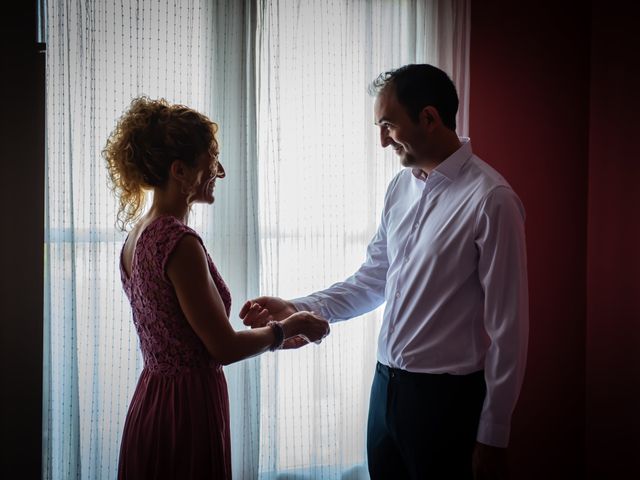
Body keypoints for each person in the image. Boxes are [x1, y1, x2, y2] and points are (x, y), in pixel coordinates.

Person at [240, 64, 528, 480]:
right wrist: (295, 308)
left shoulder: (492, 200)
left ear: (428, 118)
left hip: (447, 401)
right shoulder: (400, 188)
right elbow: (372, 281)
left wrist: (493, 433)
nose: (382, 140)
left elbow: (510, 329)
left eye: (388, 125)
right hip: (385, 391)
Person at [103, 96, 330, 479]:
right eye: (211, 158)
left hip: (152, 400)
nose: (219, 171)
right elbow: (222, 348)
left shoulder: (135, 237)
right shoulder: (179, 242)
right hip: (187, 409)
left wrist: (261, 332)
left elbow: (182, 333)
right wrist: (290, 327)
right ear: (179, 170)